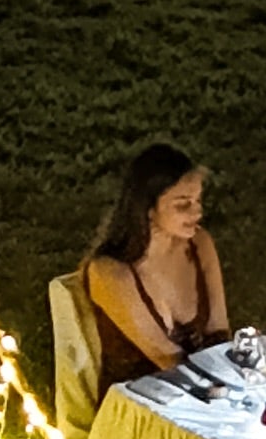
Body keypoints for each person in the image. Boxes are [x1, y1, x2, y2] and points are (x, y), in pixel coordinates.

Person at [83, 144, 229, 398]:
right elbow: (165, 357)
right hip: (140, 406)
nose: (198, 212)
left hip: (203, 390)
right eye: (183, 204)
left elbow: (219, 331)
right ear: (148, 209)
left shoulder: (199, 244)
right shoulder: (109, 272)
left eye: (198, 200)